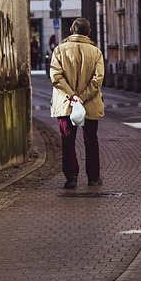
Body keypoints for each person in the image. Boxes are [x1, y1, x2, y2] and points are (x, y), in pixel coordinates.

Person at [48, 18, 105, 189]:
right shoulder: (95, 52)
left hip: (65, 104)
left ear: (72, 30)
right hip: (90, 104)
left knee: (68, 140)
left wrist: (72, 96)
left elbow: (55, 76)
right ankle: (93, 177)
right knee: (91, 140)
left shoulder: (59, 50)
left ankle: (71, 177)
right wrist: (83, 96)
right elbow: (98, 80)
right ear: (89, 32)